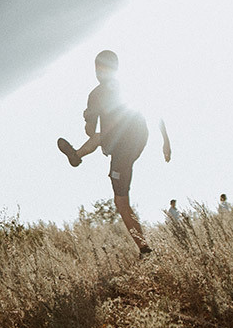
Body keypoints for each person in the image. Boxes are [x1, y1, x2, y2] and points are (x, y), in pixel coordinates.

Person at [57, 50, 171, 256]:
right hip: (132, 139)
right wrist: (165, 141)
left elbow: (90, 130)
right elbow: (154, 112)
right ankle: (77, 155)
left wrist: (88, 118)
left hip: (126, 143)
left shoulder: (98, 94)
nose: (100, 73)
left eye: (102, 68)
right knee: (101, 137)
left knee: (121, 201)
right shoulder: (119, 88)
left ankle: (145, 250)